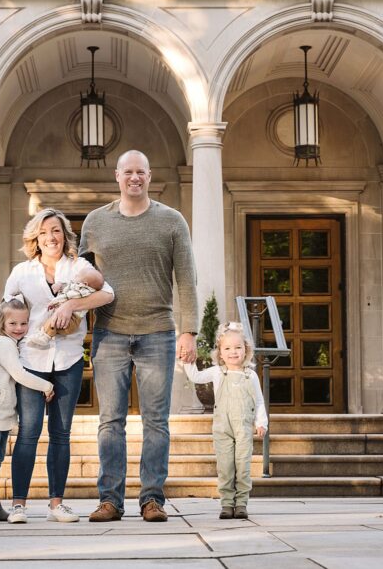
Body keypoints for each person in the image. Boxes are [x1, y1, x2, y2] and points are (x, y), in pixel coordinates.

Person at [79, 150, 199, 523]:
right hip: (109, 332)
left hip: (157, 332)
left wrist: (190, 331)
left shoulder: (171, 221)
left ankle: (152, 499)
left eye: (141, 172)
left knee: (156, 421)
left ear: (150, 176)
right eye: (128, 171)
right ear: (117, 176)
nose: (134, 177)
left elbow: (187, 279)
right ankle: (110, 500)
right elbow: (78, 277)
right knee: (110, 420)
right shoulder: (95, 221)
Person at [0, 208, 114, 523]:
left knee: (61, 432)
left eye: (55, 231)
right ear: (35, 239)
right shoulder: (22, 272)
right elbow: (2, 311)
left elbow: (108, 294)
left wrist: (71, 304)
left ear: (65, 235)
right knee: (28, 432)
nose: (50, 237)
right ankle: (19, 505)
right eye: (43, 232)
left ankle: (57, 504)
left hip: (68, 358)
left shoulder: (79, 266)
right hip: (30, 360)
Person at [0, 299, 54, 525]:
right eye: (13, 323)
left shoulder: (10, 343)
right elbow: (19, 374)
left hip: (1, 412)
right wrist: (47, 386)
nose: (19, 328)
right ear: (1, 323)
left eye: (24, 323)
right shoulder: (2, 344)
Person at [181, 321, 268, 520]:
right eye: (227, 348)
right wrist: (187, 359)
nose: (233, 352)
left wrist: (261, 422)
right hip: (222, 429)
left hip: (244, 428)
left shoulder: (251, 375)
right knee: (225, 466)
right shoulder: (218, 372)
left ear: (246, 350)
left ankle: (241, 504)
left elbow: (259, 401)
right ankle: (227, 503)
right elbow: (195, 376)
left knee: (242, 466)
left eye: (238, 348)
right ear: (220, 352)